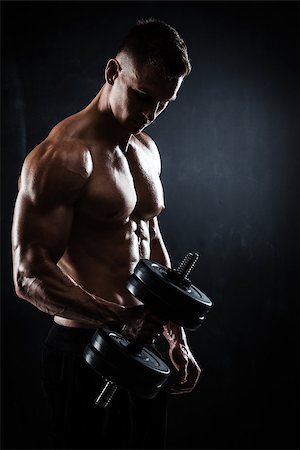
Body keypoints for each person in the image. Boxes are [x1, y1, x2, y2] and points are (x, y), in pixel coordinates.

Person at [11, 18, 201, 449]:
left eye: (164, 103)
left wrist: (173, 332)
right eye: (142, 96)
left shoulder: (147, 150)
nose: (150, 113)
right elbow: (28, 276)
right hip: (84, 350)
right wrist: (121, 318)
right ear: (112, 72)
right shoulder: (62, 157)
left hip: (143, 347)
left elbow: (150, 241)